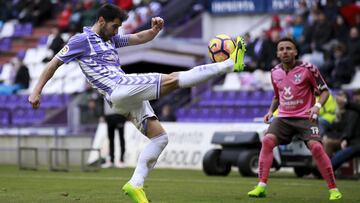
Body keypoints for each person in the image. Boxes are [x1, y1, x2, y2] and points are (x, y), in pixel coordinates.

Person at [28, 4, 246, 203]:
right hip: (119, 87)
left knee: (159, 137)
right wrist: (37, 91)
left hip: (121, 100)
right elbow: (53, 64)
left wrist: (154, 31)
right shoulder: (80, 41)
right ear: (102, 20)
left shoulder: (110, 39)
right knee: (173, 79)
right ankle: (228, 64)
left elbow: (139, 38)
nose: (117, 31)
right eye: (114, 26)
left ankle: (135, 184)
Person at [247, 37, 342, 200]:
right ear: (277, 53)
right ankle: (261, 186)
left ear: (296, 52)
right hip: (283, 117)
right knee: (267, 141)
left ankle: (333, 189)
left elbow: (324, 91)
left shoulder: (308, 69)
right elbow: (277, 96)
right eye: (281, 49)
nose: (285, 51)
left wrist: (317, 107)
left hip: (305, 117)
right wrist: (270, 111)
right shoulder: (274, 72)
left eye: (289, 48)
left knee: (317, 148)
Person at [331, 89, 360, 171]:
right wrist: (345, 138)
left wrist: (345, 101)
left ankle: (324, 171)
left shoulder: (354, 110)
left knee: (338, 157)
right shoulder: (352, 112)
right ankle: (323, 171)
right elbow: (346, 128)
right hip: (351, 142)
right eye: (355, 95)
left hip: (355, 144)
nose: (356, 97)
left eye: (358, 95)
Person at [102, 101, 127, 168]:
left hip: (119, 115)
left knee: (121, 138)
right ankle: (111, 160)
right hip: (109, 116)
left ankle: (122, 160)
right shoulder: (103, 91)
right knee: (111, 139)